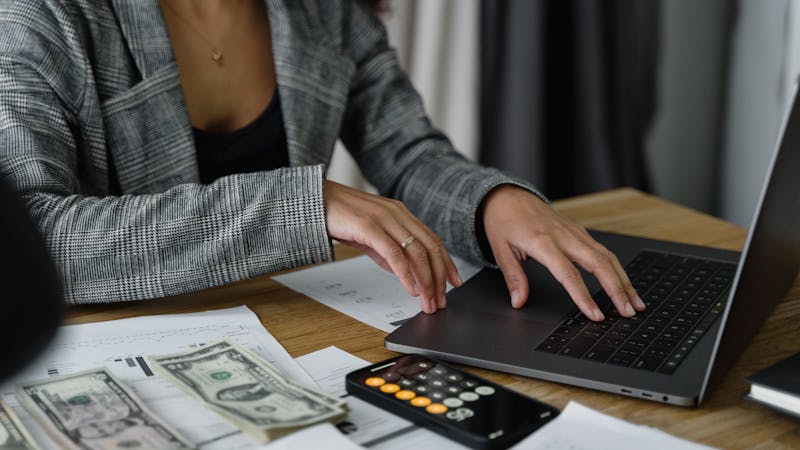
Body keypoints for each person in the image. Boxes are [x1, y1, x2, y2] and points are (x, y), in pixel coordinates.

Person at [0, 0, 644, 322]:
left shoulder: (326, 11)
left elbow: (408, 154)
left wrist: (493, 202)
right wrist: (305, 205)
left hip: (289, 330)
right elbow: (35, 242)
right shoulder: (41, 16)